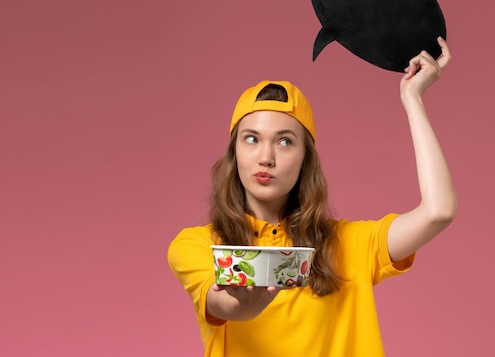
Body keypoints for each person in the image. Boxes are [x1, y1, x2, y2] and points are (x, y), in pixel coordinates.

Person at [167, 37, 456, 357]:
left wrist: (413, 99)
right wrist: (243, 304)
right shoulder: (198, 246)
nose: (266, 157)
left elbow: (438, 211)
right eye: (251, 139)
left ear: (306, 158)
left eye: (285, 142)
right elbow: (226, 305)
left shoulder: (349, 245)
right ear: (235, 153)